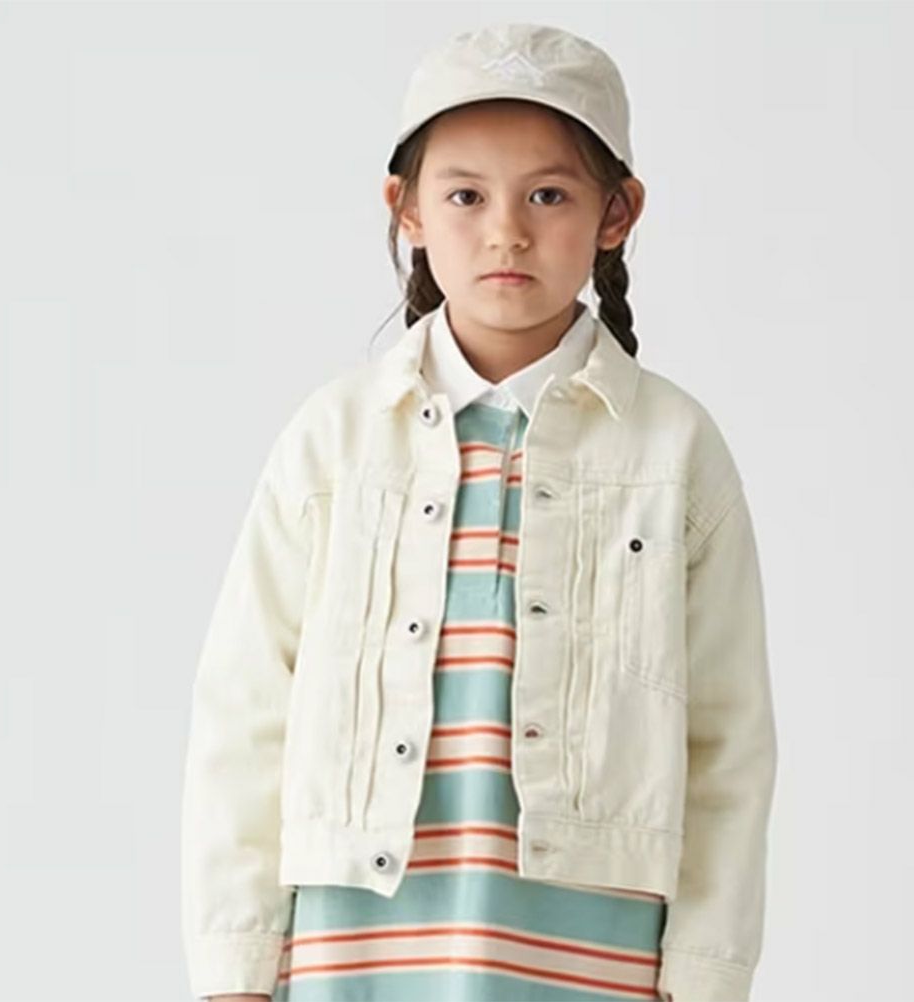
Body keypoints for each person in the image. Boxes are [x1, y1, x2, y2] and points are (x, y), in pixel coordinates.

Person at [181, 22, 778, 1002]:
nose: (507, 231)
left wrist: (707, 971)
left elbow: (728, 738)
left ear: (617, 213)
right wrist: (235, 964)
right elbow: (247, 713)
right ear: (407, 209)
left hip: (592, 948)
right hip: (355, 946)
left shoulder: (672, 449)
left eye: (548, 195)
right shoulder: (334, 440)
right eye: (466, 195)